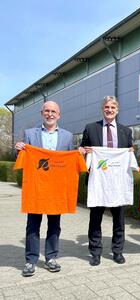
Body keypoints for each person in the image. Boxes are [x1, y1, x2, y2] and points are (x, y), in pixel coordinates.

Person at [15, 101, 74, 277]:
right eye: (47, 111)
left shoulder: (68, 136)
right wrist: (18, 150)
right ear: (42, 113)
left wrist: (80, 153)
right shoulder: (29, 134)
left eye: (53, 111)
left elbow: (69, 163)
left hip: (56, 190)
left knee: (54, 225)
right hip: (36, 188)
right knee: (33, 225)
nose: (50, 114)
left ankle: (51, 258)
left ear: (59, 114)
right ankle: (30, 260)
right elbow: (23, 159)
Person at [80, 96, 133, 266]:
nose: (109, 110)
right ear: (102, 109)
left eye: (112, 107)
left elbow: (128, 155)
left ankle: (117, 251)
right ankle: (95, 252)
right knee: (95, 219)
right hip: (98, 182)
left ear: (117, 110)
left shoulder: (126, 131)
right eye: (106, 107)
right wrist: (83, 151)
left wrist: (131, 151)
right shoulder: (90, 128)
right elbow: (82, 150)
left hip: (118, 183)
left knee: (119, 220)